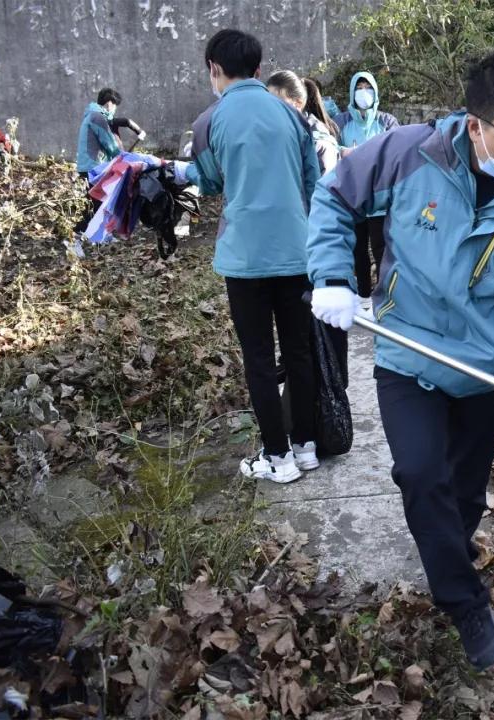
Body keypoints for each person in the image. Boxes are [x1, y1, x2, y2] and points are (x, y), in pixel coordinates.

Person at [307, 47, 494, 671]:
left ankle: (448, 550)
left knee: (464, 493)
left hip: (482, 370)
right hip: (407, 354)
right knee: (421, 476)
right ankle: (465, 602)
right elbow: (335, 196)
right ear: (477, 124)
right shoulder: (408, 155)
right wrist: (334, 275)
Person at [172, 29, 322, 483]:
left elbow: (212, 182)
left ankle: (278, 459)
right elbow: (313, 182)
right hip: (297, 253)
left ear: (214, 70)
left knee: (258, 358)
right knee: (300, 351)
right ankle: (307, 446)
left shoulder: (207, 121)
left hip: (245, 259)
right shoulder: (292, 116)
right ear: (259, 69)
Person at [332, 71, 399, 311]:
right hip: (353, 197)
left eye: (367, 87)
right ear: (352, 92)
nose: (363, 92)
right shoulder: (340, 122)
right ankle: (363, 296)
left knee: (383, 250)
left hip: (381, 198)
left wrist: (364, 153)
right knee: (358, 250)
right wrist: (344, 151)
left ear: (375, 91)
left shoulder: (387, 121)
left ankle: (383, 298)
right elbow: (331, 147)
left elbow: (396, 150)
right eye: (358, 87)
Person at [72, 88, 124, 253]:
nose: (115, 110)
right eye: (115, 106)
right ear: (109, 104)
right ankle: (74, 240)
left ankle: (101, 236)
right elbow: (110, 145)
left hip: (90, 167)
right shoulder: (97, 117)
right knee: (95, 205)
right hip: (92, 169)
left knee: (102, 202)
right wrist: (124, 157)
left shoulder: (92, 115)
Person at [266, 70, 340, 175]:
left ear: (298, 104)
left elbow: (322, 188)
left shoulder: (320, 146)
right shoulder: (276, 136)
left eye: (279, 103)